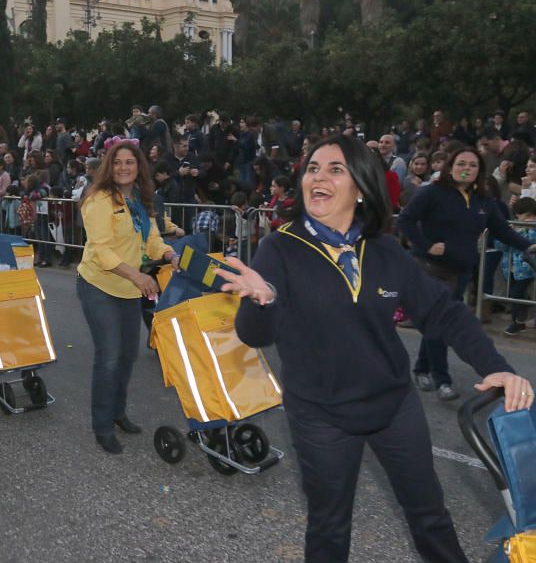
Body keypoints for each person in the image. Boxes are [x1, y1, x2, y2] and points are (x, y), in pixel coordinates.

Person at [214, 135, 533, 563]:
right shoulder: (280, 247)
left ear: (360, 187)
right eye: (313, 168)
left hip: (394, 406)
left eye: (335, 169)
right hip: (321, 417)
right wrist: (264, 299)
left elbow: (445, 312)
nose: (318, 177)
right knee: (329, 528)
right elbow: (255, 335)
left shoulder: (384, 249)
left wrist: (498, 366)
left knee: (430, 516)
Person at [398, 146, 536, 400]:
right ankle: (442, 380)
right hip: (431, 269)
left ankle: (421, 368)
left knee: (438, 324)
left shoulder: (484, 200)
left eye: (473, 165)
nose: (466, 169)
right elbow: (404, 220)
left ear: (480, 171)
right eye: (461, 163)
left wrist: (528, 245)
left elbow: (502, 230)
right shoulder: (432, 193)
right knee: (439, 324)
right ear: (450, 167)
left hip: (461, 270)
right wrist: (426, 245)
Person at [77, 141, 177, 454]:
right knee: (108, 357)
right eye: (117, 162)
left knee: (127, 356)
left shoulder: (140, 199)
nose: (123, 168)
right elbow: (101, 251)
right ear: (109, 165)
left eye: (129, 163)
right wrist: (138, 276)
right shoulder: (98, 199)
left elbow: (151, 238)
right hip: (99, 285)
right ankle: (102, 426)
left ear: (138, 167)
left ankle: (118, 412)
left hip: (128, 288)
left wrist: (170, 253)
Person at [499, 197, 536, 336]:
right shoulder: (512, 227)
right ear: (516, 215)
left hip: (528, 268)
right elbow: (500, 246)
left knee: (516, 294)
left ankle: (518, 323)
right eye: (524, 215)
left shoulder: (533, 227)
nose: (527, 219)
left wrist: (525, 229)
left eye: (531, 215)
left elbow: (532, 243)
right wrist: (509, 233)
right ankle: (520, 320)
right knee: (515, 294)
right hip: (510, 268)